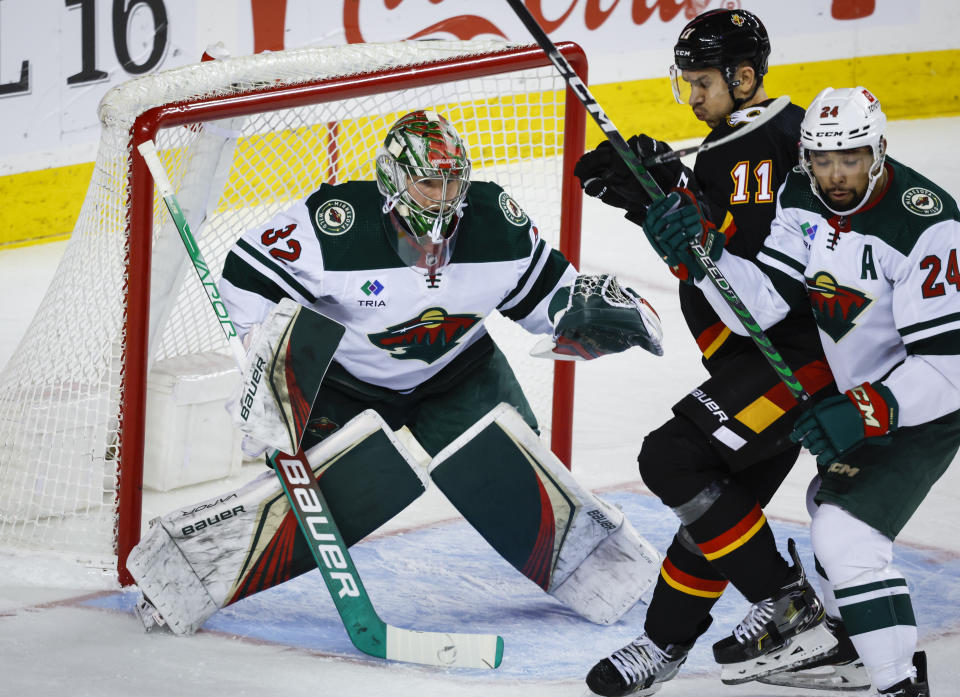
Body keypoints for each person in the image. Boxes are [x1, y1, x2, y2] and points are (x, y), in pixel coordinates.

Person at [124, 109, 665, 637]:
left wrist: (583, 318)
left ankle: (618, 580)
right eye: (430, 183)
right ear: (392, 180)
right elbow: (247, 275)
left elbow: (546, 296)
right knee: (325, 495)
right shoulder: (333, 225)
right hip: (345, 384)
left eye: (454, 183)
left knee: (511, 473)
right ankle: (181, 576)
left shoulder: (497, 221)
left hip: (461, 374)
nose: (445, 197)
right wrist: (263, 367)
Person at [574, 9, 859, 696]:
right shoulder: (737, 147)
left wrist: (684, 225)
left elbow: (761, 299)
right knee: (716, 508)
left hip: (793, 364)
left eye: (702, 82)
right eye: (687, 83)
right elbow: (714, 247)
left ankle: (788, 602)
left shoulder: (764, 152)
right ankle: (666, 641)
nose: (694, 97)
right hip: (753, 367)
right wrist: (666, 195)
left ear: (744, 76)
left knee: (672, 456)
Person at [645, 85, 955, 697]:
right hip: (860, 399)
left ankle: (896, 685)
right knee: (826, 512)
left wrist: (868, 409)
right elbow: (758, 307)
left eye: (852, 159)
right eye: (822, 160)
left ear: (880, 150)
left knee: (846, 537)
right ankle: (849, 645)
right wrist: (705, 256)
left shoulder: (926, 225)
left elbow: (951, 366)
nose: (837, 176)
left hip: (925, 408)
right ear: (805, 157)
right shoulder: (798, 194)